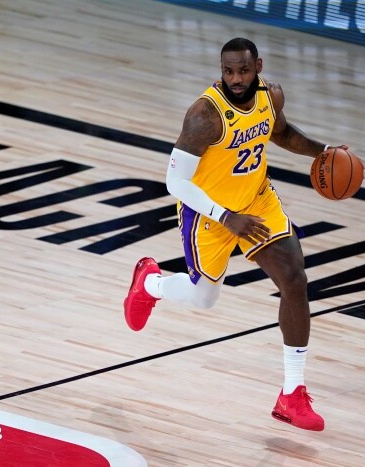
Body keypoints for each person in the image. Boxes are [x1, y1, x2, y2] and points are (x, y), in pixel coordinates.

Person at [124, 38, 347, 432]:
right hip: (208, 214)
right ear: (222, 70)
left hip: (257, 201)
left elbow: (281, 133)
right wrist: (225, 216)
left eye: (243, 70)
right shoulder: (204, 116)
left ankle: (291, 394)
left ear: (257, 66)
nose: (236, 79)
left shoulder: (270, 96)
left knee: (295, 279)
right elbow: (175, 181)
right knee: (204, 298)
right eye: (229, 71)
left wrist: (324, 151)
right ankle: (151, 283)